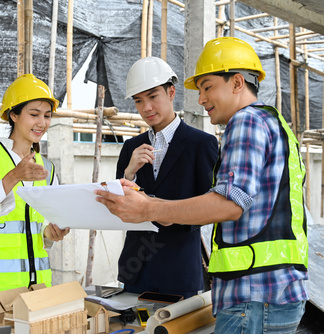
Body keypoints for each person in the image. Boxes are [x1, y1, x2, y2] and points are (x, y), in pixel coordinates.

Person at [95, 37, 308, 333]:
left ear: (236, 83)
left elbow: (226, 204)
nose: (201, 99)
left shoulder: (237, 127)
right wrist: (129, 177)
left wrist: (150, 208)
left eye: (207, 87)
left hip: (248, 291)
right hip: (264, 289)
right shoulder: (274, 123)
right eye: (138, 100)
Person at [116, 57, 218, 298]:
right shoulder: (131, 147)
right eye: (139, 101)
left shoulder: (201, 144)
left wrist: (173, 216)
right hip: (136, 269)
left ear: (171, 92)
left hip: (179, 269)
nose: (146, 108)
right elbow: (118, 205)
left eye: (153, 97)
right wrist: (129, 172)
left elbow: (214, 206)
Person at [0, 73, 70, 296]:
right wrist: (13, 177)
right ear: (14, 115)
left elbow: (40, 237)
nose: (42, 123)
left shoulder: (47, 169)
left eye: (47, 116)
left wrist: (50, 234)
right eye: (34, 114)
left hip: (37, 290)